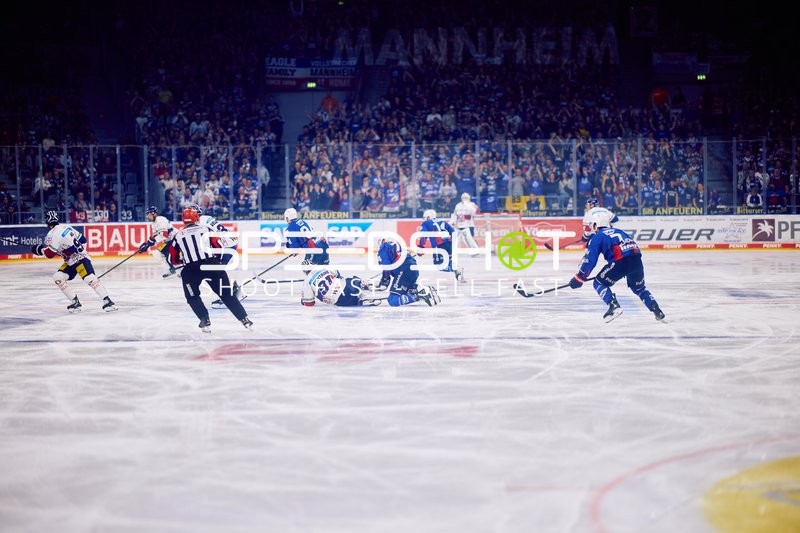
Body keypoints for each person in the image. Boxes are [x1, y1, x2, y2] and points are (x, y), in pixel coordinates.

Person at [569, 208, 666, 323]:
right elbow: (633, 248)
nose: (591, 228)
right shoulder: (620, 231)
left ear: (596, 224)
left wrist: (580, 277)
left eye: (592, 225)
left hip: (620, 262)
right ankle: (656, 310)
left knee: (599, 282)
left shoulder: (597, 237)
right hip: (636, 260)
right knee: (639, 288)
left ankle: (614, 306)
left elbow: (590, 260)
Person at [168, 207, 253, 332]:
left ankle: (204, 319)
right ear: (196, 218)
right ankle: (245, 320)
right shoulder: (206, 229)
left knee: (192, 297)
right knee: (227, 294)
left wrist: (183, 261)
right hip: (211, 265)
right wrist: (216, 261)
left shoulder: (178, 236)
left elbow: (172, 259)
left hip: (191, 269)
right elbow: (218, 247)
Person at [31, 210, 117, 313]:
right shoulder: (66, 227)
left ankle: (108, 302)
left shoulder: (52, 234)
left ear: (47, 222)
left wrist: (39, 250)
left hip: (77, 260)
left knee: (88, 278)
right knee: (59, 277)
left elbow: (49, 254)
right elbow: (83, 240)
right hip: (74, 260)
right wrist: (77, 252)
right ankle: (75, 302)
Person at [187, 204, 244, 307]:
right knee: (217, 271)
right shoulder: (206, 218)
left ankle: (230, 295)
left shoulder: (199, 224)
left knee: (217, 272)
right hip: (229, 242)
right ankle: (230, 292)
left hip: (226, 245)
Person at [376, 239, 440, 306]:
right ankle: (417, 292)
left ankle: (421, 295)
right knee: (405, 294)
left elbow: (386, 268)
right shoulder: (398, 245)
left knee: (393, 300)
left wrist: (384, 280)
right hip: (413, 270)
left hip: (403, 270)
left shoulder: (383, 248)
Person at [299, 262, 382, 307]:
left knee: (350, 300)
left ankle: (360, 302)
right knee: (351, 280)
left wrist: (304, 300)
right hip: (347, 287)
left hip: (340, 301)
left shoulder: (306, 282)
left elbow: (309, 303)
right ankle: (365, 287)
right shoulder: (322, 267)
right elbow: (338, 274)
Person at [418, 209, 464, 282]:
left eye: (425, 217)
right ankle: (456, 269)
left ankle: (457, 268)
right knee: (447, 261)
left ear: (428, 217)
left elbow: (424, 235)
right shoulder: (443, 222)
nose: (424, 219)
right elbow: (453, 232)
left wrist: (421, 247)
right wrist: (451, 244)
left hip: (439, 245)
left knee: (439, 265)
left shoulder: (425, 223)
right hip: (448, 244)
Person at [138, 206, 178, 278]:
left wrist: (150, 243)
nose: (148, 216)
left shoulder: (160, 220)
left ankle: (174, 269)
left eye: (149, 214)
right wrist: (147, 244)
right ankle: (172, 269)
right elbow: (155, 237)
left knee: (158, 253)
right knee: (158, 253)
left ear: (154, 214)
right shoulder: (153, 224)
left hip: (174, 238)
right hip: (169, 240)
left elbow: (165, 234)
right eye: (148, 215)